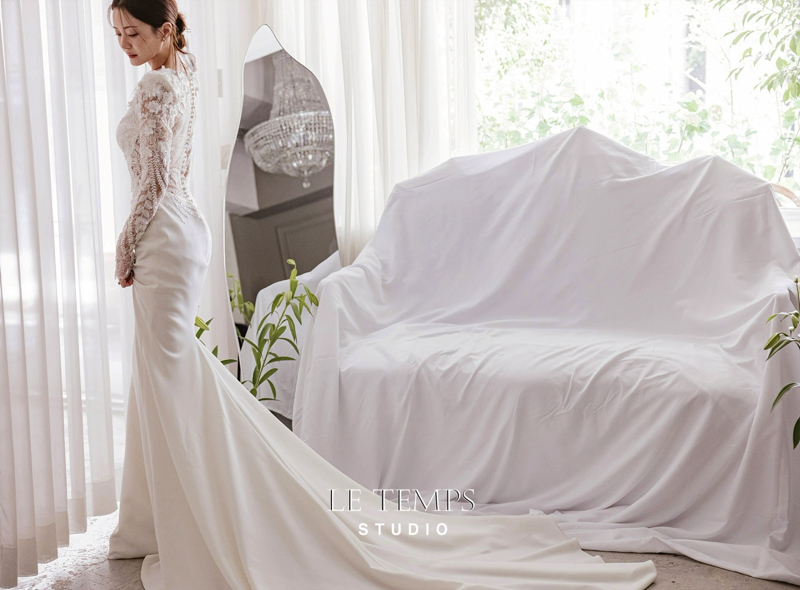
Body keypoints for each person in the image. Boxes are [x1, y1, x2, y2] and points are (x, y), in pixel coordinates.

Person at [106, 1, 657, 588]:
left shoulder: (158, 87)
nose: (125, 44)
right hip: (183, 232)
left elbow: (155, 182)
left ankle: (186, 514)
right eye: (117, 34)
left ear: (166, 29)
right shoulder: (184, 73)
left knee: (168, 375)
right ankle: (160, 514)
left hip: (161, 233)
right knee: (171, 375)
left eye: (133, 32)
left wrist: (125, 245)